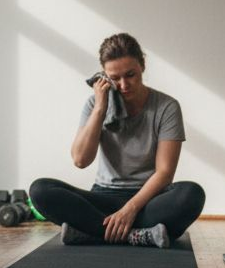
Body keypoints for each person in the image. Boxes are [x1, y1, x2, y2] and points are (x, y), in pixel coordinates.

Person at [30, 33, 206, 248]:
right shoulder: (94, 104)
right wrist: (100, 108)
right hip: (103, 198)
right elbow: (80, 160)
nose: (123, 85)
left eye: (130, 75)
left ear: (142, 66)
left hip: (148, 200)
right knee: (40, 190)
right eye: (115, 78)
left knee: (191, 194)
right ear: (104, 76)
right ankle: (139, 235)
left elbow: (165, 173)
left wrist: (130, 209)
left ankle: (94, 233)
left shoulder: (167, 107)